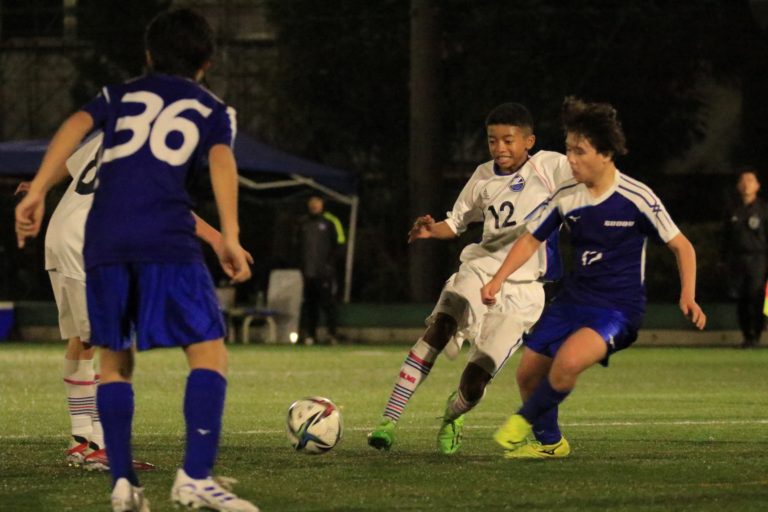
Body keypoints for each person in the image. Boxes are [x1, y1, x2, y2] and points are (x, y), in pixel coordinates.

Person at [15, 8, 259, 512]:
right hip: (163, 235)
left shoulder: (118, 96)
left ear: (148, 55)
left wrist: (37, 189)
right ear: (207, 62)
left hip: (103, 238)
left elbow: (74, 124)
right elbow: (221, 160)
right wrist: (229, 237)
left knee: (113, 358)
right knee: (208, 351)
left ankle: (122, 485)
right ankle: (194, 478)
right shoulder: (213, 108)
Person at [482, 96, 706, 459]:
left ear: (605, 154)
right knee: (527, 374)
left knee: (568, 362)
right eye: (568, 149)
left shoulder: (636, 197)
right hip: (573, 301)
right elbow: (530, 239)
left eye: (579, 151)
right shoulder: (566, 196)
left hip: (617, 308)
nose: (570, 159)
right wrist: (497, 279)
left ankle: (522, 420)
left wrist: (688, 295)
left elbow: (683, 247)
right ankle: (551, 444)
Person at [17, 132, 252, 473]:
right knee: (111, 342)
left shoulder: (115, 130)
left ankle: (83, 440)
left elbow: (70, 163)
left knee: (82, 340)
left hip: (62, 232)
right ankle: (100, 446)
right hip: (89, 239)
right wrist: (218, 240)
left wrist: (39, 186)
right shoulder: (153, 146)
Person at [367, 103, 572, 455]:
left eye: (508, 140)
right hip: (480, 270)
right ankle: (388, 422)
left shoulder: (551, 166)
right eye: (493, 140)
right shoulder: (482, 176)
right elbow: (457, 222)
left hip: (525, 292)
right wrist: (433, 230)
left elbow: (593, 173)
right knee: (441, 325)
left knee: (475, 383)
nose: (499, 148)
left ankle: (452, 416)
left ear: (529, 141)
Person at [722, 168, 768, 348]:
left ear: (757, 186)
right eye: (743, 180)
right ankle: (747, 336)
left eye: (750, 180)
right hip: (737, 259)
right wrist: (723, 260)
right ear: (738, 185)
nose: (746, 184)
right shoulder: (732, 210)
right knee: (741, 298)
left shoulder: (763, 209)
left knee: (755, 296)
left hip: (758, 259)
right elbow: (725, 237)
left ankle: (756, 333)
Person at [295, 195, 344, 345]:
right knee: (310, 304)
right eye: (312, 202)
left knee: (328, 304)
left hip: (325, 273)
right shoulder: (303, 223)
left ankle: (332, 334)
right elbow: (296, 245)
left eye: (317, 202)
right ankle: (311, 335)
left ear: (322, 204)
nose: (314, 205)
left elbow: (340, 243)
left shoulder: (331, 221)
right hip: (308, 272)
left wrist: (330, 265)